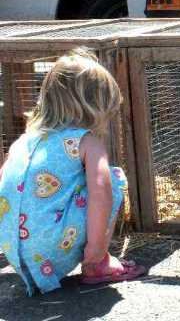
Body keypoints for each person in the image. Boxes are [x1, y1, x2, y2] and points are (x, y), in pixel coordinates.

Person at [0, 47, 145, 296]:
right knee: (112, 178)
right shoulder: (86, 141)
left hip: (15, 250)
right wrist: (96, 248)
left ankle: (40, 266)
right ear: (93, 108)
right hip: (53, 248)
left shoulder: (24, 141)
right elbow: (101, 192)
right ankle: (98, 265)